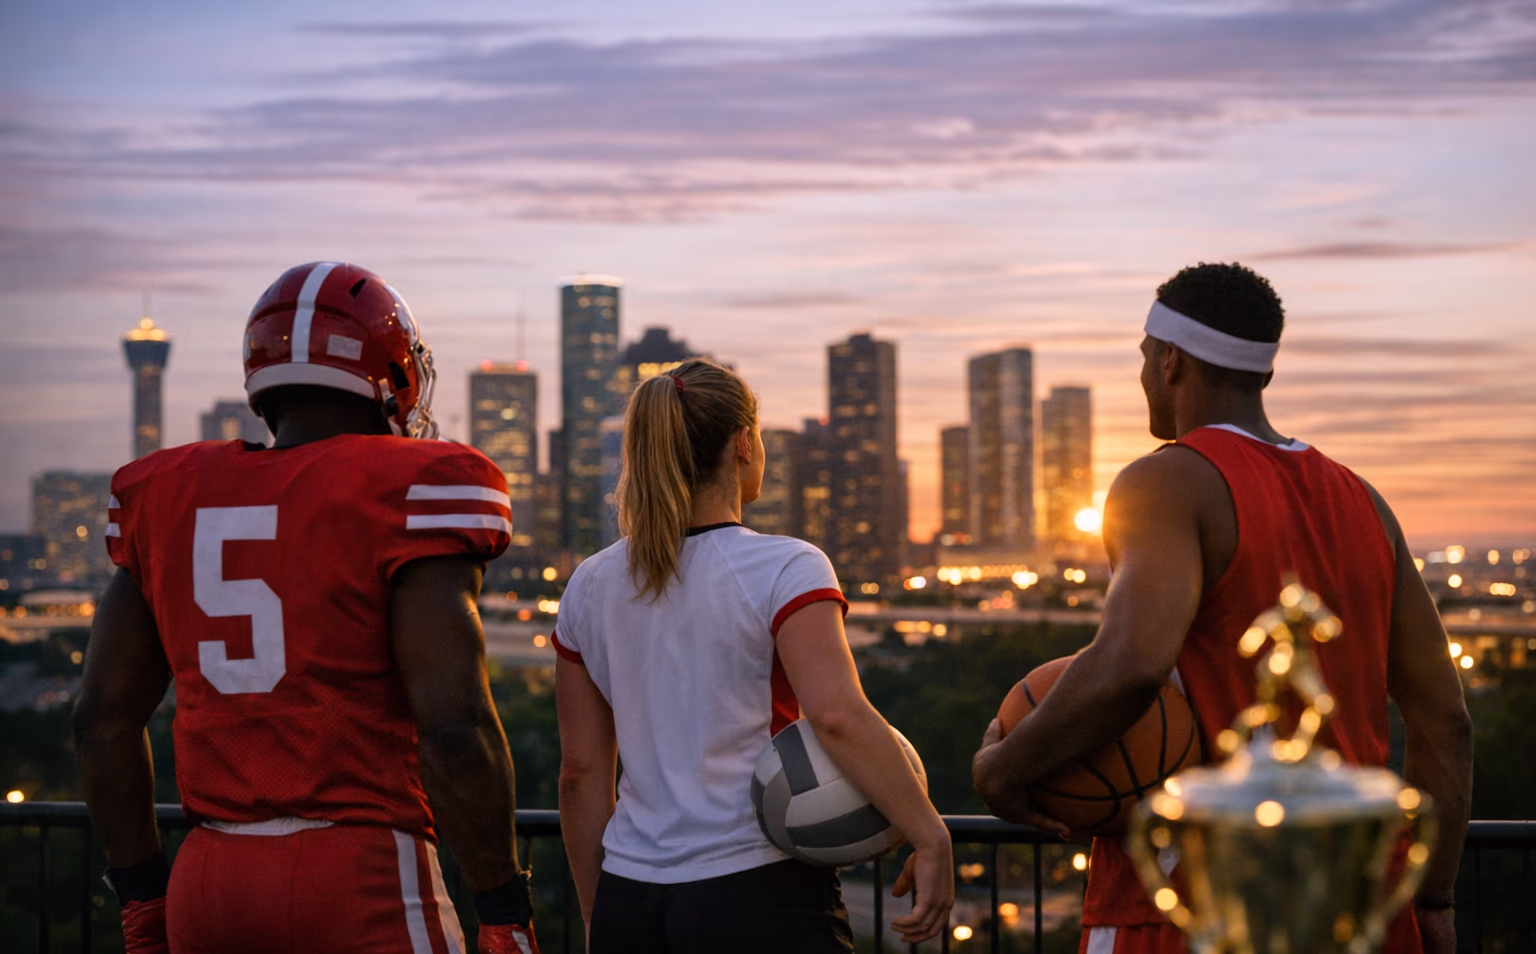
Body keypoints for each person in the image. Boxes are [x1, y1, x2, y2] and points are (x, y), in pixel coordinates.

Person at [972, 263, 1472, 954]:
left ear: (1170, 360)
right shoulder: (1363, 499)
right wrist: (1435, 899)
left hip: (1198, 898)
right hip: (1360, 901)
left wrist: (1001, 770)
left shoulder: (1167, 480)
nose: (1144, 375)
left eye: (1145, 358)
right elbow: (1446, 719)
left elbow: (1130, 666)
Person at [74, 262, 541, 954]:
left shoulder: (168, 497)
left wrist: (143, 894)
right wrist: (503, 905)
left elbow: (100, 723)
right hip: (360, 873)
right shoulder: (409, 485)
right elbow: (453, 729)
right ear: (391, 372)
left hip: (210, 880)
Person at [553, 358, 954, 953]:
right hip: (755, 888)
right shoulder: (786, 567)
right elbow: (837, 716)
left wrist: (599, 916)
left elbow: (581, 776)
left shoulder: (589, 583)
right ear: (745, 443)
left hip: (629, 894)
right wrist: (931, 835)